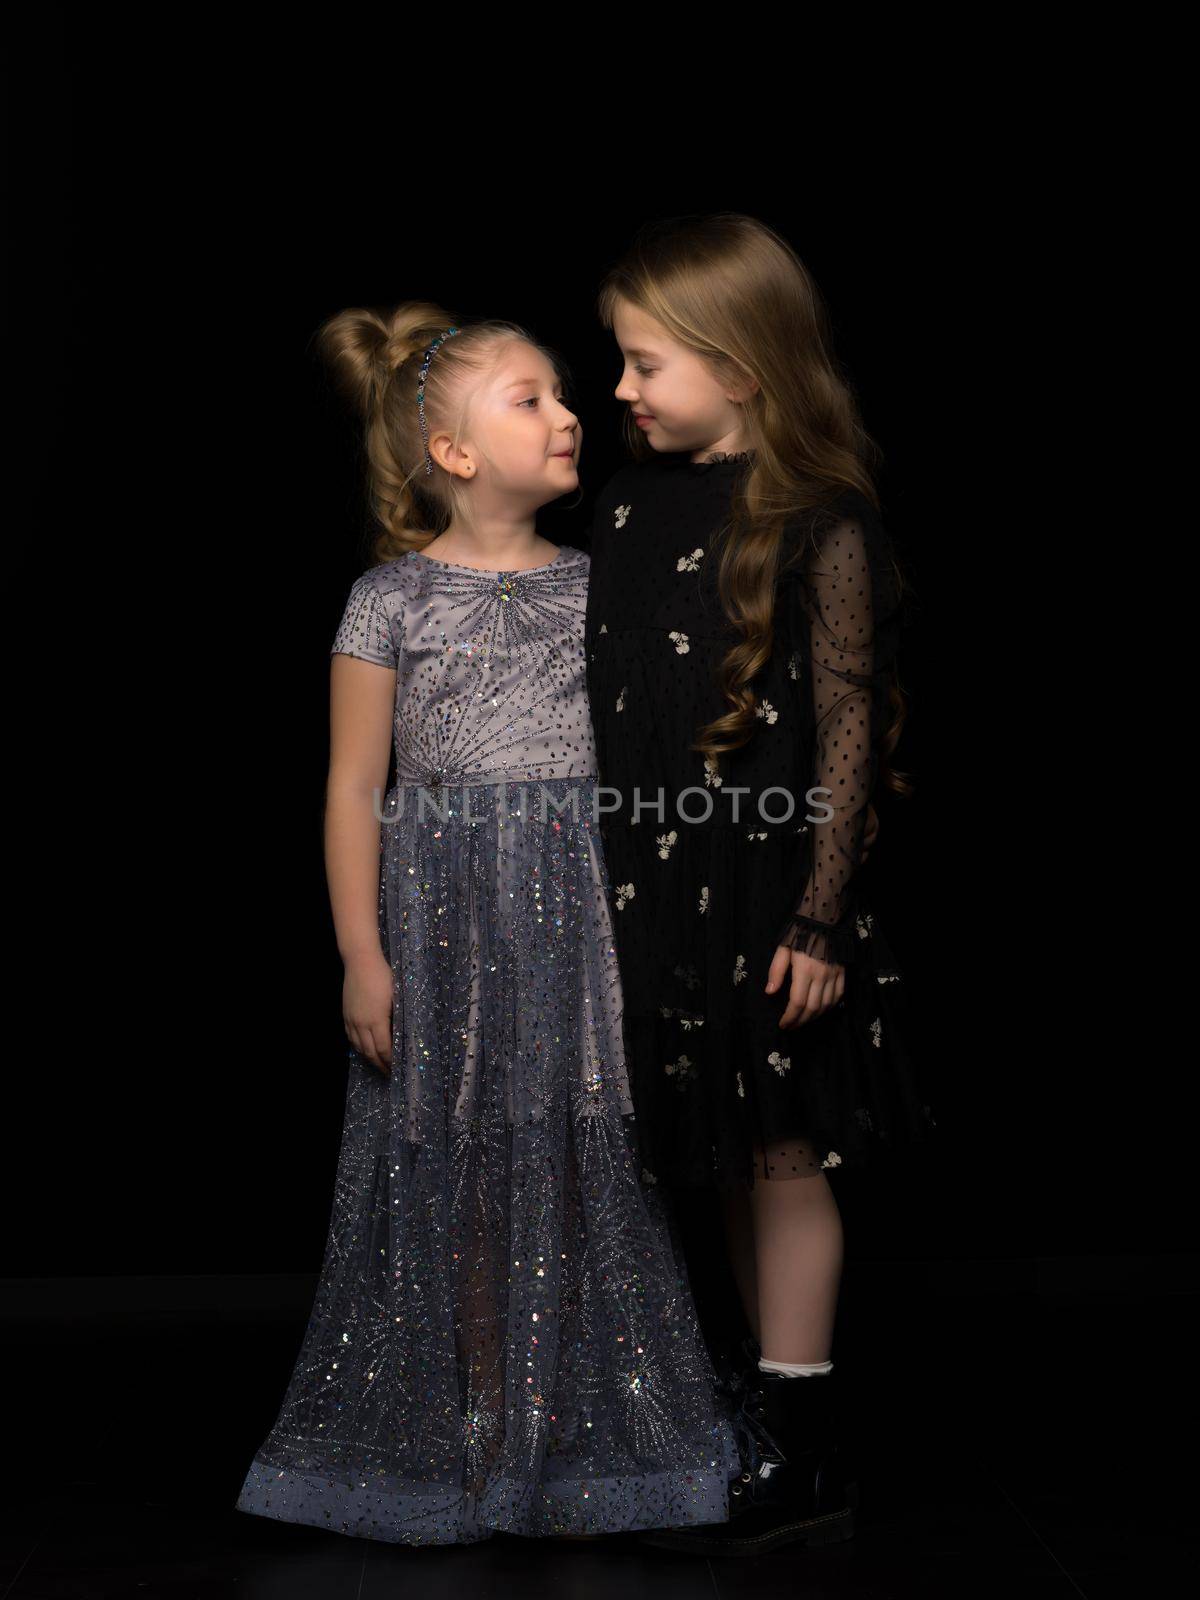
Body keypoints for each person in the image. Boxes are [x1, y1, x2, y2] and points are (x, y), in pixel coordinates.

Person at [234, 304, 740, 1548]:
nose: (570, 414)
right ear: (452, 452)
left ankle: (569, 1415)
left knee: (584, 1150)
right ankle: (477, 1417)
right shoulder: (387, 600)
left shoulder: (602, 581)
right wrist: (363, 951)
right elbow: (356, 786)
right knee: (457, 1159)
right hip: (443, 918)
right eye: (531, 399)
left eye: (566, 393)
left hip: (580, 911)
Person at [583, 215, 937, 1556]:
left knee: (785, 1149)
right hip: (652, 890)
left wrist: (819, 913)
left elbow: (848, 725)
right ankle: (755, 1414)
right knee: (721, 1158)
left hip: (769, 891)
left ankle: (806, 1442)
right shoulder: (622, 505)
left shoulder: (821, 523)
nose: (618, 390)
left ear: (741, 366)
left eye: (642, 362)